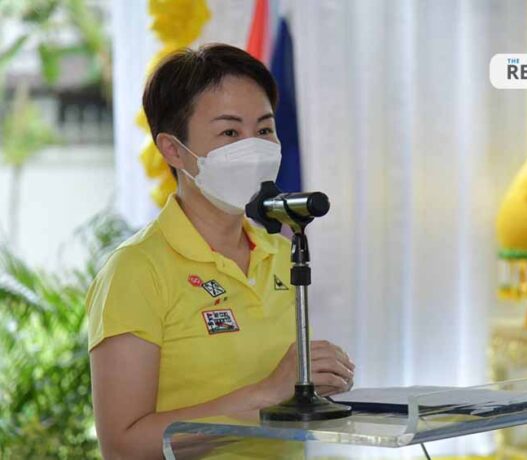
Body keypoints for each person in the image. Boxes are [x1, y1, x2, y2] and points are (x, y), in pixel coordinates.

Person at [86, 43, 355, 459]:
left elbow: (287, 403)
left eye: (264, 130)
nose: (254, 148)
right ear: (173, 150)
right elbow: (123, 446)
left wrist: (316, 384)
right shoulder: (136, 270)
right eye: (230, 133)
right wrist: (268, 393)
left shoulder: (281, 251)